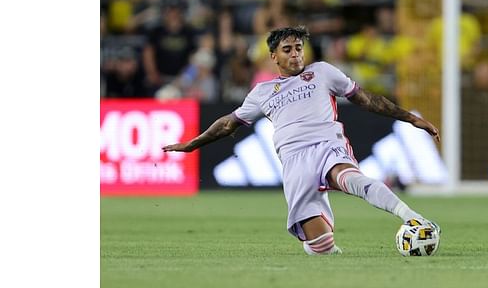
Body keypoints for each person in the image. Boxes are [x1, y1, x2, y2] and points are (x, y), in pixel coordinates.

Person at [162, 26, 441, 255]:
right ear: (274, 57)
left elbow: (366, 99)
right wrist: (192, 144)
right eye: (287, 50)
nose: (295, 54)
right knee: (321, 246)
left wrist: (409, 118)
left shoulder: (322, 72)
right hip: (295, 162)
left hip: (328, 145)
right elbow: (227, 124)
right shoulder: (262, 91)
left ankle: (413, 218)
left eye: (298, 48)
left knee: (353, 179)